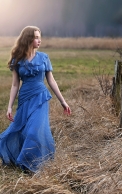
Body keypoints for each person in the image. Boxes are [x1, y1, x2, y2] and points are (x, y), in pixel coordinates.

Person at [0, 26, 71, 173]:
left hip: (41, 98)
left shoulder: (44, 57)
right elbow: (15, 85)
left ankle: (32, 165)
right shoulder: (17, 59)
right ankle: (19, 157)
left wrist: (63, 101)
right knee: (19, 129)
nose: (40, 40)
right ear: (28, 39)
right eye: (36, 37)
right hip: (25, 98)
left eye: (40, 37)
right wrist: (9, 107)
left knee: (35, 131)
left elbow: (51, 81)